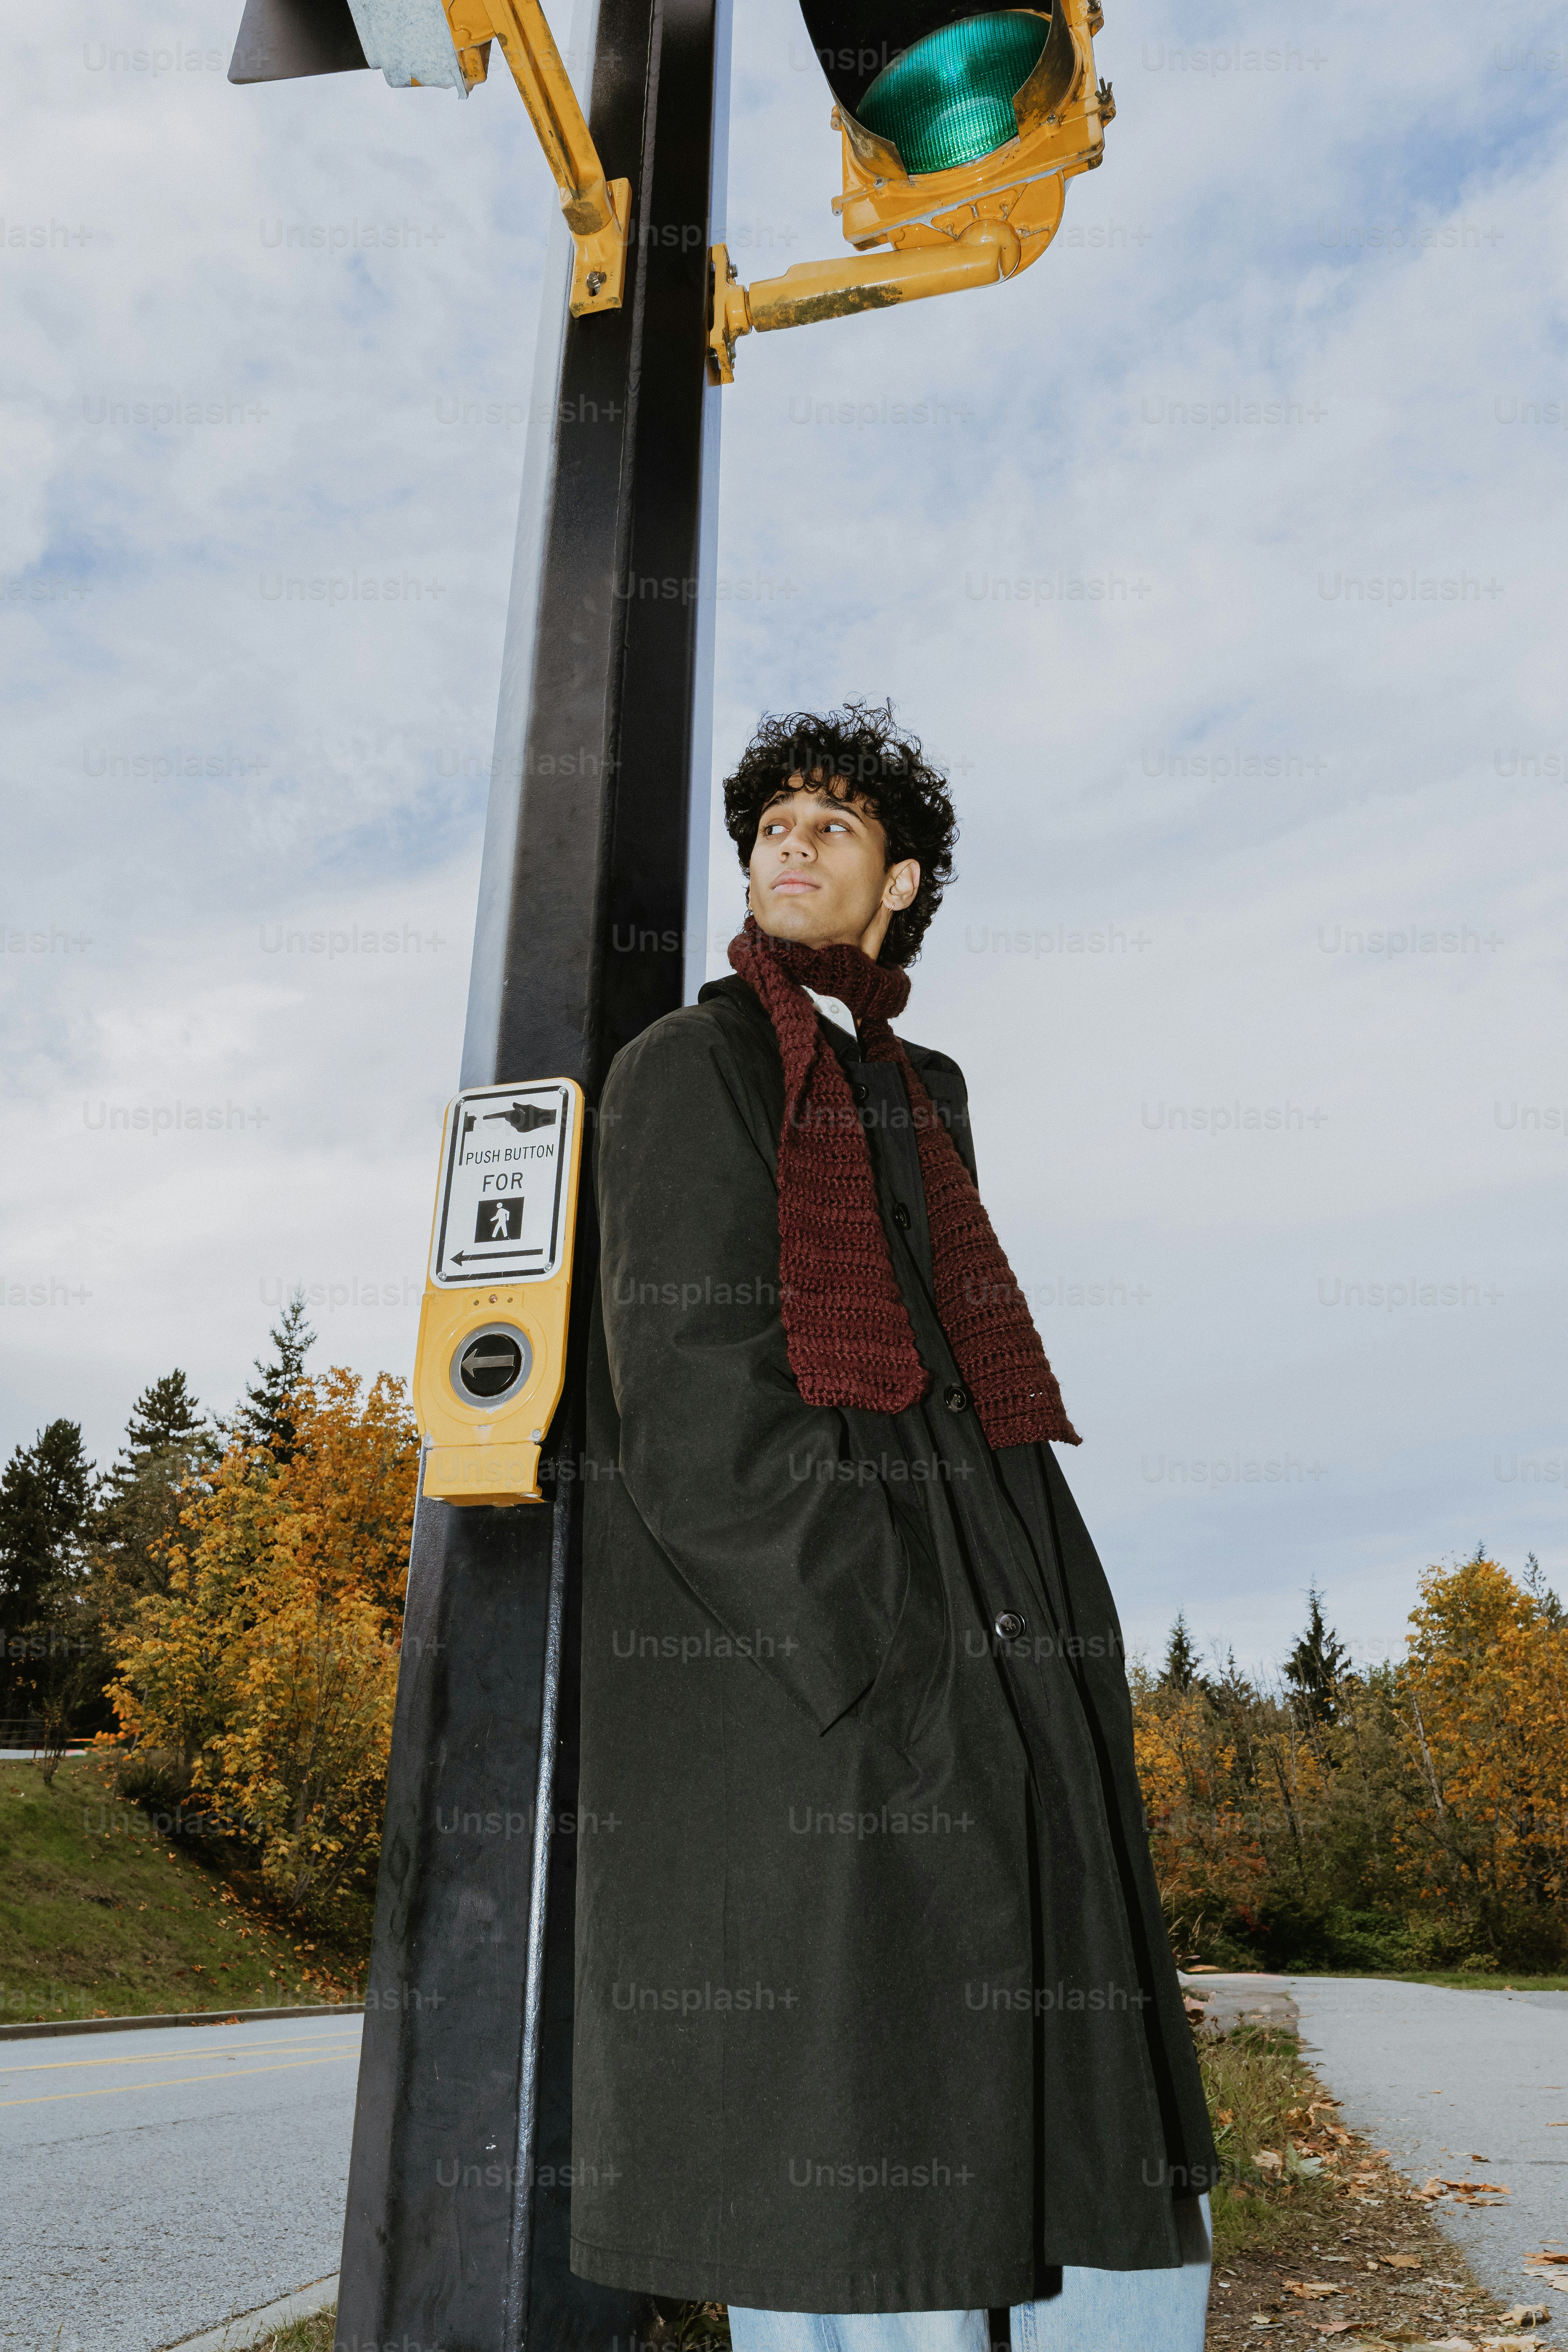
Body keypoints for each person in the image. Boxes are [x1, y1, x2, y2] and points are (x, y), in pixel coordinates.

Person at [573, 704, 1216, 2352]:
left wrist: (1020, 1639)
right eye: (772, 825)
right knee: (864, 2178)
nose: (788, 847)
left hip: (995, 1616)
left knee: (1071, 2161)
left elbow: (949, 1360)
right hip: (833, 1677)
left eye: (830, 828)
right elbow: (696, 1400)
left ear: (901, 883)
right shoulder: (693, 1065)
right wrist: (875, 1646)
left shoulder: (921, 1087)